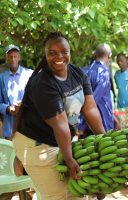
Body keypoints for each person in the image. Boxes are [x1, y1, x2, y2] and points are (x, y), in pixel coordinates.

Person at [12, 31, 106, 200]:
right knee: (60, 196)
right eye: (52, 53)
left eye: (64, 51)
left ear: (70, 52)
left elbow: (90, 109)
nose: (59, 56)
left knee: (78, 192)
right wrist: (69, 159)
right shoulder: (43, 83)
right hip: (36, 144)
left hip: (58, 140)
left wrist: (104, 138)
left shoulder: (77, 74)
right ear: (46, 55)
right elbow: (60, 124)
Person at [78, 43, 118, 135]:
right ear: (110, 55)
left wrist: (81, 123)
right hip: (101, 122)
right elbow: (94, 100)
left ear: (95, 55)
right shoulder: (103, 72)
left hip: (87, 122)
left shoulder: (84, 71)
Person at [0, 44, 33, 139]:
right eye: (10, 57)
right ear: (6, 58)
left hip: (28, 128)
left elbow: (37, 99)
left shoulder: (29, 74)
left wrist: (24, 106)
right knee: (11, 153)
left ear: (19, 57)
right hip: (9, 129)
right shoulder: (2, 78)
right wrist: (8, 109)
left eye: (15, 56)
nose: (13, 59)